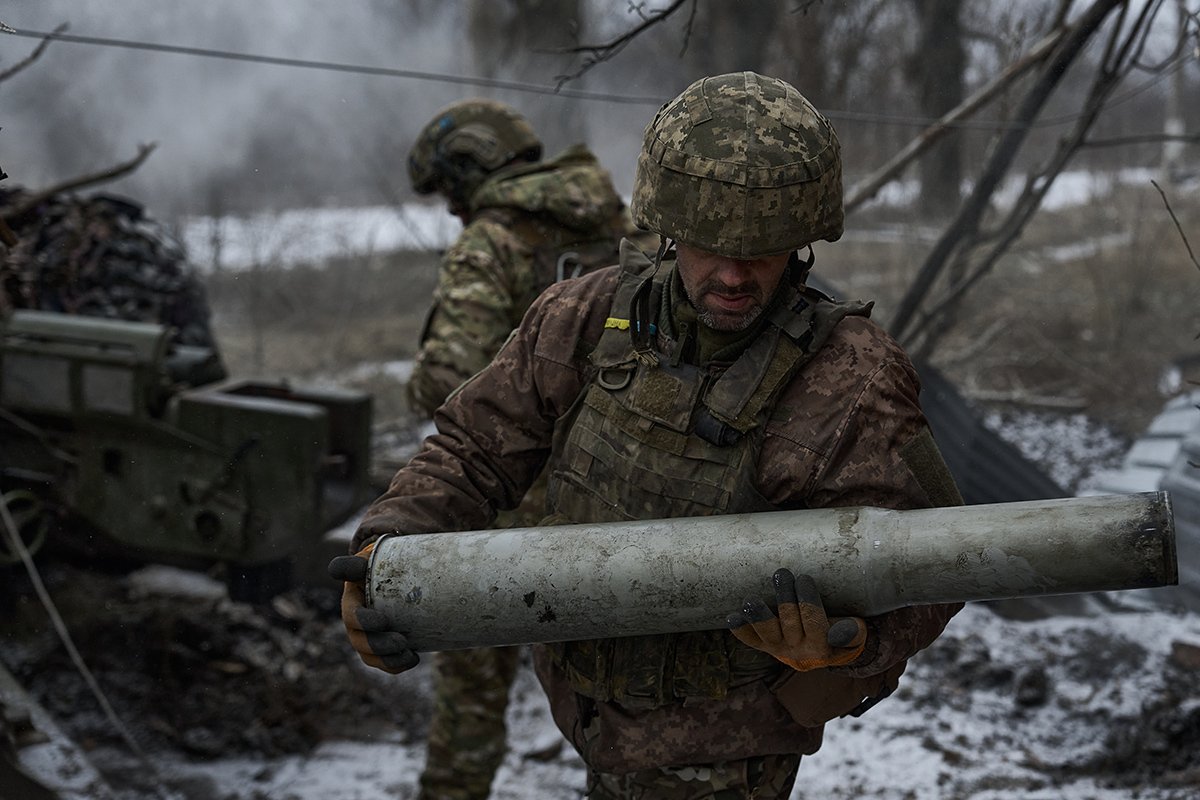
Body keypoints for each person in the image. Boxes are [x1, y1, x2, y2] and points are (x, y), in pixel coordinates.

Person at [333, 72, 963, 798]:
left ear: (802, 239)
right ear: (667, 224)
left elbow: (935, 561)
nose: (732, 274)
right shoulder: (581, 316)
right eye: (708, 242)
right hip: (592, 713)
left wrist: (846, 644)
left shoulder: (853, 378)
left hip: (729, 746)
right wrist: (386, 546)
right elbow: (472, 446)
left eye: (763, 248)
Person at [401, 98, 652, 800]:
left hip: (509, 506)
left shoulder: (494, 240)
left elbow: (452, 378)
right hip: (619, 498)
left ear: (471, 169)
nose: (454, 209)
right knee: (618, 701)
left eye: (452, 190)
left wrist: (415, 386)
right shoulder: (616, 220)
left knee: (471, 696)